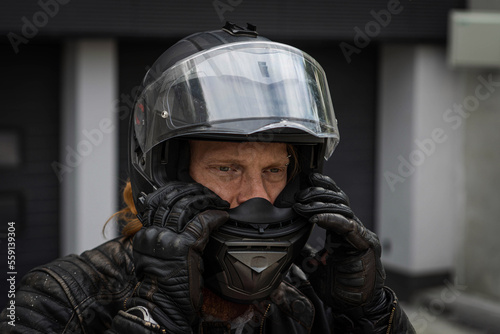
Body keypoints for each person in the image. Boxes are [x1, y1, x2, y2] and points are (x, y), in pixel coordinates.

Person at [0, 23, 415, 333]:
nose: (258, 197)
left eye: (274, 170)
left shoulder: (306, 295)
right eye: (227, 168)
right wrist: (153, 314)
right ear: (166, 176)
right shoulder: (61, 299)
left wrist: (372, 314)